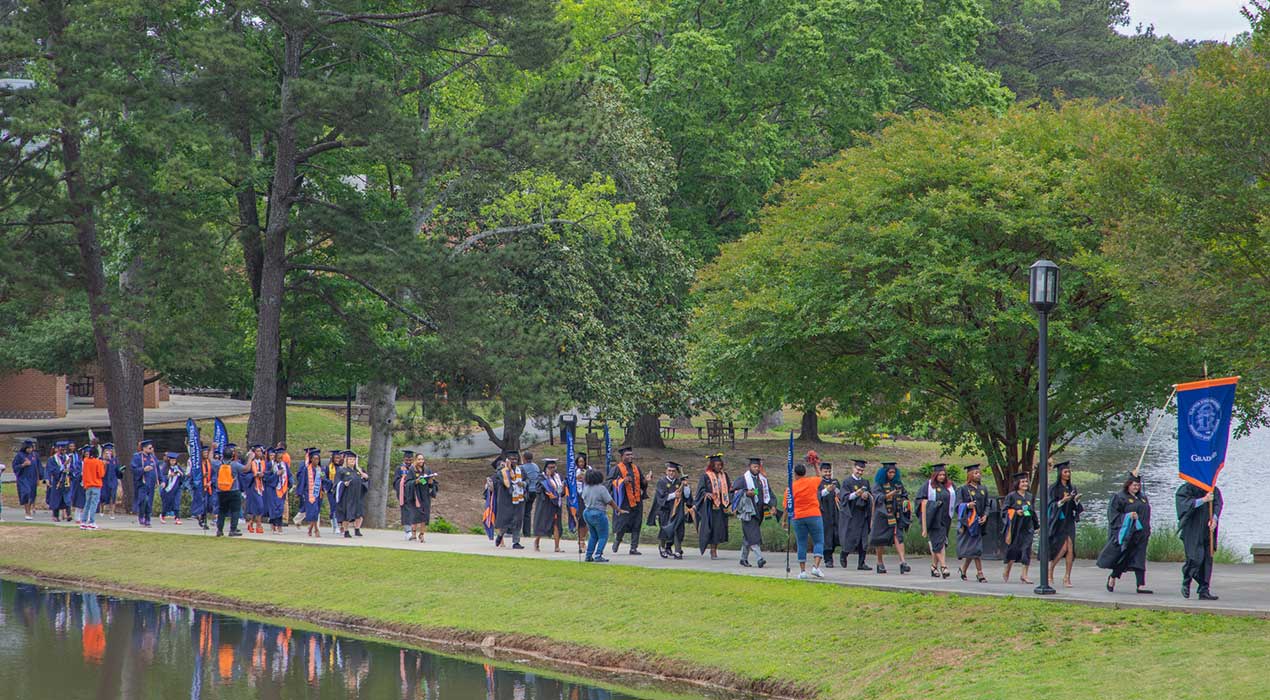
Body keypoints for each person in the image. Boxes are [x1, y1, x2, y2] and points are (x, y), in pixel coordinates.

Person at [1097, 474, 1152, 594]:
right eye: (1134, 485)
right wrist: (1127, 516)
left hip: (1141, 534)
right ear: (1128, 485)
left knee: (1140, 558)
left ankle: (1141, 585)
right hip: (1128, 534)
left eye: (1138, 485)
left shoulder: (1142, 498)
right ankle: (1113, 577)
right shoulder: (1119, 497)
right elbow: (1113, 516)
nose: (1136, 487)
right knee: (1124, 558)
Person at [1175, 480, 1223, 600]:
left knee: (1207, 560)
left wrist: (1215, 519)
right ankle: (1186, 581)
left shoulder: (1213, 489)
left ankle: (1204, 590)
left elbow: (1218, 504)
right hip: (1192, 529)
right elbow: (1183, 505)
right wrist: (1203, 500)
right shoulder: (1187, 489)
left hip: (1208, 530)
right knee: (1195, 558)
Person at [868, 462, 912, 574]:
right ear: (885, 473)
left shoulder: (898, 484)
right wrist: (889, 495)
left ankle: (903, 562)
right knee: (880, 540)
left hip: (896, 515)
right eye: (890, 472)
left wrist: (905, 502)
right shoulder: (879, 484)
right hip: (883, 515)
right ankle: (879, 562)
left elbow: (904, 495)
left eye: (893, 472)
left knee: (898, 536)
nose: (892, 474)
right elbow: (877, 497)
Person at [730, 457, 773, 568]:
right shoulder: (742, 479)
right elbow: (733, 493)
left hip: (759, 512)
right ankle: (760, 558)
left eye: (758, 467)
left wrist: (772, 505)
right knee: (754, 535)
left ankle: (743, 559)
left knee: (748, 536)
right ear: (749, 467)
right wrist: (745, 493)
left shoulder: (762, 480)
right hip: (747, 512)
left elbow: (769, 493)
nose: (756, 469)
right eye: (754, 466)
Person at [1047, 461, 1084, 588]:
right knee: (1063, 548)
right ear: (1060, 473)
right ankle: (1050, 569)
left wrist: (1076, 501)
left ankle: (1067, 577)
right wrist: (1062, 501)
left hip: (1069, 521)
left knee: (1070, 549)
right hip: (1058, 521)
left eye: (1069, 472)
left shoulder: (1072, 488)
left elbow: (1075, 507)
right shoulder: (1053, 488)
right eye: (1065, 472)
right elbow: (1050, 506)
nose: (1068, 474)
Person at [786, 463, 826, 580]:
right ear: (805, 473)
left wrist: (784, 520)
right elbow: (820, 477)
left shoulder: (791, 487)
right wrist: (815, 465)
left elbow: (786, 505)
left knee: (801, 543)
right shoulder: (812, 481)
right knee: (819, 541)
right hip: (814, 514)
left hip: (798, 516)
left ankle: (802, 571)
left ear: (795, 474)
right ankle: (816, 567)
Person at [916, 464, 956, 579]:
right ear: (935, 475)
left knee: (940, 543)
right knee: (938, 541)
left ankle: (934, 567)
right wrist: (933, 505)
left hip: (946, 518)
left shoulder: (950, 486)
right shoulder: (928, 486)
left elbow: (956, 498)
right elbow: (920, 500)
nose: (942, 477)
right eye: (940, 474)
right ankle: (944, 566)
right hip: (933, 518)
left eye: (944, 474)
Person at [608, 446, 648, 555]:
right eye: (627, 455)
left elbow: (641, 482)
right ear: (622, 457)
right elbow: (609, 483)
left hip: (637, 500)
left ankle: (633, 548)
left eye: (631, 454)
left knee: (637, 524)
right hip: (624, 502)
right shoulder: (616, 468)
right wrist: (621, 481)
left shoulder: (636, 468)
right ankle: (617, 540)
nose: (630, 456)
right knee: (622, 524)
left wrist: (645, 481)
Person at [648, 461, 691, 559]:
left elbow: (687, 496)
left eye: (673, 471)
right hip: (665, 511)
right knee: (665, 530)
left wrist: (686, 486)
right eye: (669, 471)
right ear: (666, 471)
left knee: (677, 530)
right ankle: (662, 547)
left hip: (677, 511)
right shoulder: (662, 482)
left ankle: (677, 551)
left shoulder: (680, 482)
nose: (671, 473)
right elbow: (660, 497)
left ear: (677, 472)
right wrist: (673, 495)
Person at [1001, 472, 1038, 584]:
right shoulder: (1011, 496)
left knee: (1026, 549)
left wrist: (1037, 525)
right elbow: (1004, 511)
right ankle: (1007, 569)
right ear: (1017, 483)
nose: (1025, 483)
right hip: (1015, 527)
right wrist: (1016, 512)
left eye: (1026, 481)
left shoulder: (1029, 496)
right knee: (1014, 549)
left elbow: (1032, 511)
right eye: (1022, 482)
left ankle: (1024, 575)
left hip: (1027, 526)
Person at [955, 464, 989, 582]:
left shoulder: (983, 489)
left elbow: (987, 505)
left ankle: (963, 569)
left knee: (974, 549)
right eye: (975, 473)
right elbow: (957, 505)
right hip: (968, 523)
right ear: (970, 475)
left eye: (979, 473)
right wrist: (967, 505)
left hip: (979, 523)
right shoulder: (963, 489)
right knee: (975, 549)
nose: (978, 475)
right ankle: (980, 573)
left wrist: (985, 515)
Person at [836, 459, 872, 570]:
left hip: (863, 513)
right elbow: (844, 498)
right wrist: (856, 494)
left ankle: (861, 563)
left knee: (863, 539)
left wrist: (866, 496)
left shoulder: (865, 482)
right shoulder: (847, 482)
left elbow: (870, 496)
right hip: (852, 513)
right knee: (850, 537)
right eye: (858, 469)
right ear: (853, 468)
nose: (860, 472)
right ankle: (844, 554)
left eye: (862, 470)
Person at [694, 453, 731, 558]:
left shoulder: (724, 475)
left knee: (719, 529)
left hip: (722, 506)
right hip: (710, 507)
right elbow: (700, 491)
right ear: (712, 465)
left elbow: (729, 488)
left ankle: (715, 548)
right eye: (717, 465)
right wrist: (706, 494)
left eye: (720, 465)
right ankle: (712, 549)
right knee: (712, 528)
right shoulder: (706, 476)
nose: (719, 467)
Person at [493, 451, 526, 549]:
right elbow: (501, 482)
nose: (514, 461)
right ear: (507, 460)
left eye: (515, 459)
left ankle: (516, 542)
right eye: (512, 459)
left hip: (519, 499)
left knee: (518, 520)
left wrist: (523, 484)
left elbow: (527, 480)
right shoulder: (502, 471)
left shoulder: (521, 470)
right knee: (506, 520)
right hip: (507, 499)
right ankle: (500, 535)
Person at [581, 468, 614, 562]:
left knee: (593, 535)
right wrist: (618, 509)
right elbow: (609, 501)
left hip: (587, 512)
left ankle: (588, 555)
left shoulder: (586, 488)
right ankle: (598, 555)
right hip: (598, 513)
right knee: (603, 536)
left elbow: (583, 498)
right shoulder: (601, 488)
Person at [534, 458, 565, 552]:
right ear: (546, 468)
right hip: (546, 505)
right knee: (543, 524)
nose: (552, 469)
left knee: (556, 524)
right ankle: (537, 541)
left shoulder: (558, 477)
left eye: (553, 467)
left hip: (556, 504)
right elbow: (539, 490)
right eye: (550, 467)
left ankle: (557, 546)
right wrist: (547, 479)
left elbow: (562, 490)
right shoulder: (541, 477)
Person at [293, 448, 326, 538]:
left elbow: (325, 481)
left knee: (316, 512)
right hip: (309, 494)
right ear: (311, 459)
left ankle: (310, 529)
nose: (316, 460)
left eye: (317, 459)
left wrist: (325, 482)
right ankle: (316, 530)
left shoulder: (321, 469)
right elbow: (302, 481)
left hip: (319, 494)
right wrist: (299, 492)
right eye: (314, 458)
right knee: (313, 511)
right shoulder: (306, 469)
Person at [213, 447, 246, 537]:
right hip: (233, 490)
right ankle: (233, 529)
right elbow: (246, 469)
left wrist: (212, 448)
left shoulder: (218, 464)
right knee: (235, 510)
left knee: (222, 511)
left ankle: (219, 530)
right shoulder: (235, 465)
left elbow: (209, 459)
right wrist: (250, 458)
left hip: (221, 491)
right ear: (232, 456)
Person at [814, 462, 840, 567]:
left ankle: (831, 554)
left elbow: (840, 494)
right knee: (826, 536)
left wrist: (837, 492)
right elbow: (817, 496)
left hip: (835, 512)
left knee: (835, 535)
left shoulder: (835, 482)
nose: (828, 473)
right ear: (821, 472)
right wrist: (826, 490)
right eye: (825, 471)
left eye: (829, 471)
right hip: (824, 513)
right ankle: (827, 559)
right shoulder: (818, 483)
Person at [338, 451, 369, 537]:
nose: (352, 461)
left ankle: (357, 529)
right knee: (347, 514)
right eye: (350, 459)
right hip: (347, 496)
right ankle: (346, 531)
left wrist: (363, 475)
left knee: (359, 513)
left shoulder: (358, 471)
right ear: (346, 460)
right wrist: (344, 484)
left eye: (353, 459)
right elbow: (337, 483)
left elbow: (365, 480)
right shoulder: (342, 471)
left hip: (357, 495)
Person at [130, 440, 159, 528]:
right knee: (143, 500)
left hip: (151, 483)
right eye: (149, 448)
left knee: (149, 502)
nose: (151, 449)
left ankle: (148, 519)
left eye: (152, 448)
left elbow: (158, 470)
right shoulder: (137, 457)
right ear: (144, 448)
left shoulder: (153, 458)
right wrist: (143, 469)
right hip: (142, 483)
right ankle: (141, 515)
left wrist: (161, 480)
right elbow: (133, 469)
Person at [264, 448, 292, 533]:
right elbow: (267, 478)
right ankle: (273, 525)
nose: (280, 460)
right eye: (278, 458)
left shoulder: (285, 465)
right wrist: (276, 474)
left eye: (281, 458)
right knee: (273, 508)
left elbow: (289, 475)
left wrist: (291, 484)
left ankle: (279, 525)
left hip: (282, 489)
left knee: (280, 508)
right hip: (272, 489)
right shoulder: (270, 465)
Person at [12, 439, 41, 520]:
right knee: (26, 493)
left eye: (31, 448)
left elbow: (38, 467)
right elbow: (15, 467)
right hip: (23, 478)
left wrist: (38, 478)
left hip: (33, 478)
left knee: (32, 495)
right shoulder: (19, 455)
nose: (30, 450)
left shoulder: (34, 455)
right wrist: (23, 465)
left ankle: (30, 509)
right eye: (28, 448)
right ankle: (27, 512)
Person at [45, 441, 73, 522]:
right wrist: (63, 467)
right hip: (57, 482)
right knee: (56, 499)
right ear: (57, 449)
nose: (63, 451)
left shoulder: (68, 458)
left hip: (66, 480)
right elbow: (51, 470)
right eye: (61, 450)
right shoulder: (52, 459)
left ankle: (68, 514)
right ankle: (55, 516)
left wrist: (69, 470)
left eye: (64, 450)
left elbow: (72, 468)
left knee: (67, 497)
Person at [80, 446, 106, 531]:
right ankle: (91, 521)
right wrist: (103, 465)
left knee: (87, 503)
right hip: (96, 484)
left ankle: (83, 521)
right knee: (94, 504)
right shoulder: (98, 462)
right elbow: (101, 474)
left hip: (88, 485)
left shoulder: (86, 461)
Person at [243, 445, 268, 534]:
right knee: (259, 505)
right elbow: (245, 474)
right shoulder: (251, 463)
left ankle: (251, 523)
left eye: (260, 451)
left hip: (261, 486)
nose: (259, 453)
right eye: (257, 451)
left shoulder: (263, 462)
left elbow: (267, 473)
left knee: (257, 506)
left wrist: (263, 475)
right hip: (253, 486)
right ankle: (259, 524)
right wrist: (254, 475)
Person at [158, 452, 185, 524]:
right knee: (166, 503)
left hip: (176, 488)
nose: (173, 462)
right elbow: (162, 476)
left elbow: (183, 476)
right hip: (168, 489)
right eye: (172, 460)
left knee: (177, 503)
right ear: (169, 461)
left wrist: (180, 474)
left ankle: (177, 518)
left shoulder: (178, 467)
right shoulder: (165, 468)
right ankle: (163, 515)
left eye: (174, 461)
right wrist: (169, 476)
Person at [520, 450, 541, 539]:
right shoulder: (536, 466)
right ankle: (527, 533)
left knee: (521, 512)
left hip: (526, 491)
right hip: (535, 491)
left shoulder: (521, 468)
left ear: (524, 458)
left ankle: (515, 530)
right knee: (528, 513)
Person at [324, 450, 345, 534]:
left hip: (341, 490)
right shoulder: (328, 467)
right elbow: (324, 478)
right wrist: (331, 482)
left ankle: (341, 526)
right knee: (334, 507)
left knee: (341, 509)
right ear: (332, 458)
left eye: (339, 458)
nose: (337, 459)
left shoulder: (342, 468)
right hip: (331, 490)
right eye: (336, 457)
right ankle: (335, 526)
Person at [396, 450, 415, 539]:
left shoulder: (416, 468)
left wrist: (424, 482)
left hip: (415, 494)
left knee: (415, 512)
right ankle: (408, 531)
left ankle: (414, 531)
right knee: (406, 512)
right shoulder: (399, 469)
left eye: (410, 460)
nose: (408, 462)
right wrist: (403, 481)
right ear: (404, 459)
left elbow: (420, 479)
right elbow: (396, 481)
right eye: (407, 460)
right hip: (404, 494)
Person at [99, 444, 121, 519]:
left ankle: (112, 512)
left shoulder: (114, 460)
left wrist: (121, 471)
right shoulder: (101, 459)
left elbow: (117, 470)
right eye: (107, 451)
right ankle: (102, 509)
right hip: (104, 480)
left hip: (113, 480)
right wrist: (104, 462)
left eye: (110, 451)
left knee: (113, 496)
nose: (109, 453)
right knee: (103, 496)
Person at [69, 444, 86, 524]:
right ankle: (77, 517)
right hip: (80, 483)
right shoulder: (80, 463)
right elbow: (76, 473)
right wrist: (81, 474)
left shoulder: (92, 462)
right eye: (86, 454)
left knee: (87, 501)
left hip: (89, 483)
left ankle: (86, 516)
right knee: (79, 501)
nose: (87, 455)